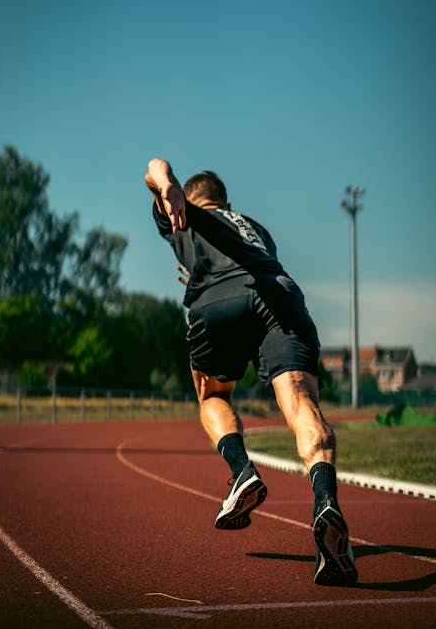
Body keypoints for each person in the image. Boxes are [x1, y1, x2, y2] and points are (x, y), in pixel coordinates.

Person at [145, 157, 358, 586]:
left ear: (191, 198)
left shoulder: (182, 212)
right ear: (228, 201)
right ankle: (324, 501)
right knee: (301, 404)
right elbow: (240, 261)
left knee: (214, 397)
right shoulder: (256, 228)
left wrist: (166, 185)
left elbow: (154, 167)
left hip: (216, 303)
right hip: (277, 293)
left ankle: (242, 471)